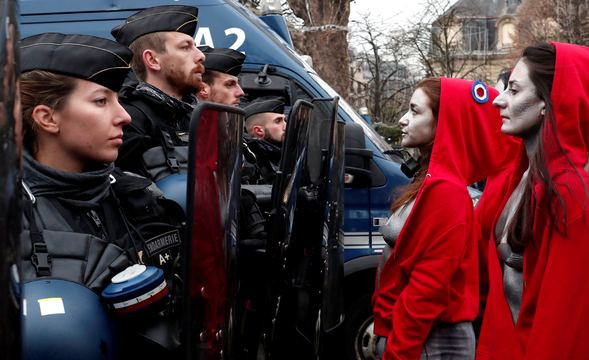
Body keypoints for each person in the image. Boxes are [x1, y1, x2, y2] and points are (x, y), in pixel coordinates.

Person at [19, 32, 186, 356]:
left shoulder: (132, 193)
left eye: (117, 99)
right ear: (47, 117)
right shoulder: (14, 215)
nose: (123, 115)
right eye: (101, 101)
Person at [372, 77, 518, 359]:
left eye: (415, 111)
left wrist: (399, 351)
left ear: (445, 122)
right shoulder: (433, 182)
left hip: (431, 341)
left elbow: (428, 287)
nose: (403, 120)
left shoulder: (446, 191)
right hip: (422, 337)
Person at [476, 43, 589, 359]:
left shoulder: (570, 193)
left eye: (513, 90)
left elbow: (560, 326)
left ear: (547, 104)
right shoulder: (524, 179)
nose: (499, 100)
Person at [110, 5, 205, 179]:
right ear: (152, 60)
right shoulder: (128, 120)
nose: (201, 56)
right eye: (186, 47)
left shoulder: (194, 116)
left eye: (195, 46)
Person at [242, 96, 286, 184]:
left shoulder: (281, 152)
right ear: (258, 131)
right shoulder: (249, 161)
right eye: (278, 121)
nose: (285, 125)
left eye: (285, 120)